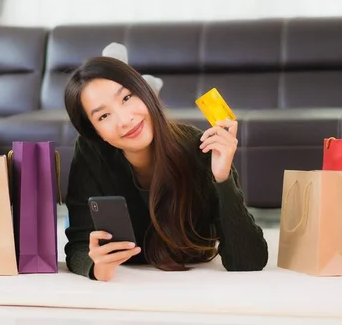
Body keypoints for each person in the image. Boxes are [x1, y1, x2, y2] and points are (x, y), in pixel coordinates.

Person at [63, 56, 268, 281]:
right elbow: (78, 246)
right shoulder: (91, 151)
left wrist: (223, 178)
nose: (124, 120)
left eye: (127, 97)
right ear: (96, 133)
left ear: (145, 91)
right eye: (103, 116)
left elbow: (249, 261)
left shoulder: (199, 149)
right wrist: (97, 267)